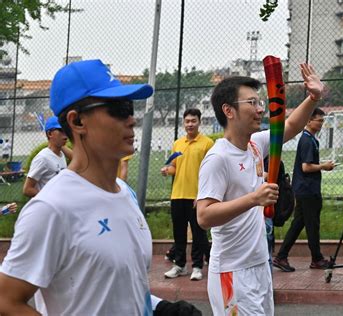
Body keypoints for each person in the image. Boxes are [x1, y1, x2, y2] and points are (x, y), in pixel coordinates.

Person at [0, 59, 200, 315]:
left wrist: (159, 308)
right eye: (119, 108)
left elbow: (118, 287)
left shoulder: (124, 193)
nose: (131, 120)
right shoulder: (51, 208)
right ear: (77, 122)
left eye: (131, 108)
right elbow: (7, 301)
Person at [197, 64, 325, 315]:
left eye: (260, 102)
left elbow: (290, 127)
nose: (260, 109)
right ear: (228, 110)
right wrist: (254, 198)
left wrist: (313, 98)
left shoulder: (254, 144)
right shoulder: (218, 158)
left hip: (259, 266)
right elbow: (204, 216)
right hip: (232, 271)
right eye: (251, 102)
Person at [272, 108, 334, 272]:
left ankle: (281, 256)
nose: (321, 124)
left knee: (298, 223)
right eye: (318, 121)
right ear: (308, 121)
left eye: (322, 121)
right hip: (307, 190)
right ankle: (317, 259)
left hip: (306, 189)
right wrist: (324, 166)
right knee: (312, 224)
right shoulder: (307, 140)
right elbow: (306, 167)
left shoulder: (311, 139)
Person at [161, 108, 213, 281]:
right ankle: (180, 265)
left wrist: (202, 195)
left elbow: (210, 172)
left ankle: (197, 266)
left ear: (199, 122)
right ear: (184, 123)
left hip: (197, 196)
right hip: (178, 195)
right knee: (179, 233)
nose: (190, 124)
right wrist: (168, 170)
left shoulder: (207, 144)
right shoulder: (178, 143)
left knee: (198, 233)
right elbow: (175, 167)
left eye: (193, 121)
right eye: (187, 121)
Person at [22, 116, 69, 198]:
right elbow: (27, 189)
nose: (65, 135)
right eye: (61, 131)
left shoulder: (61, 154)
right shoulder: (43, 158)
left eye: (66, 130)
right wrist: (50, 199)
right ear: (50, 134)